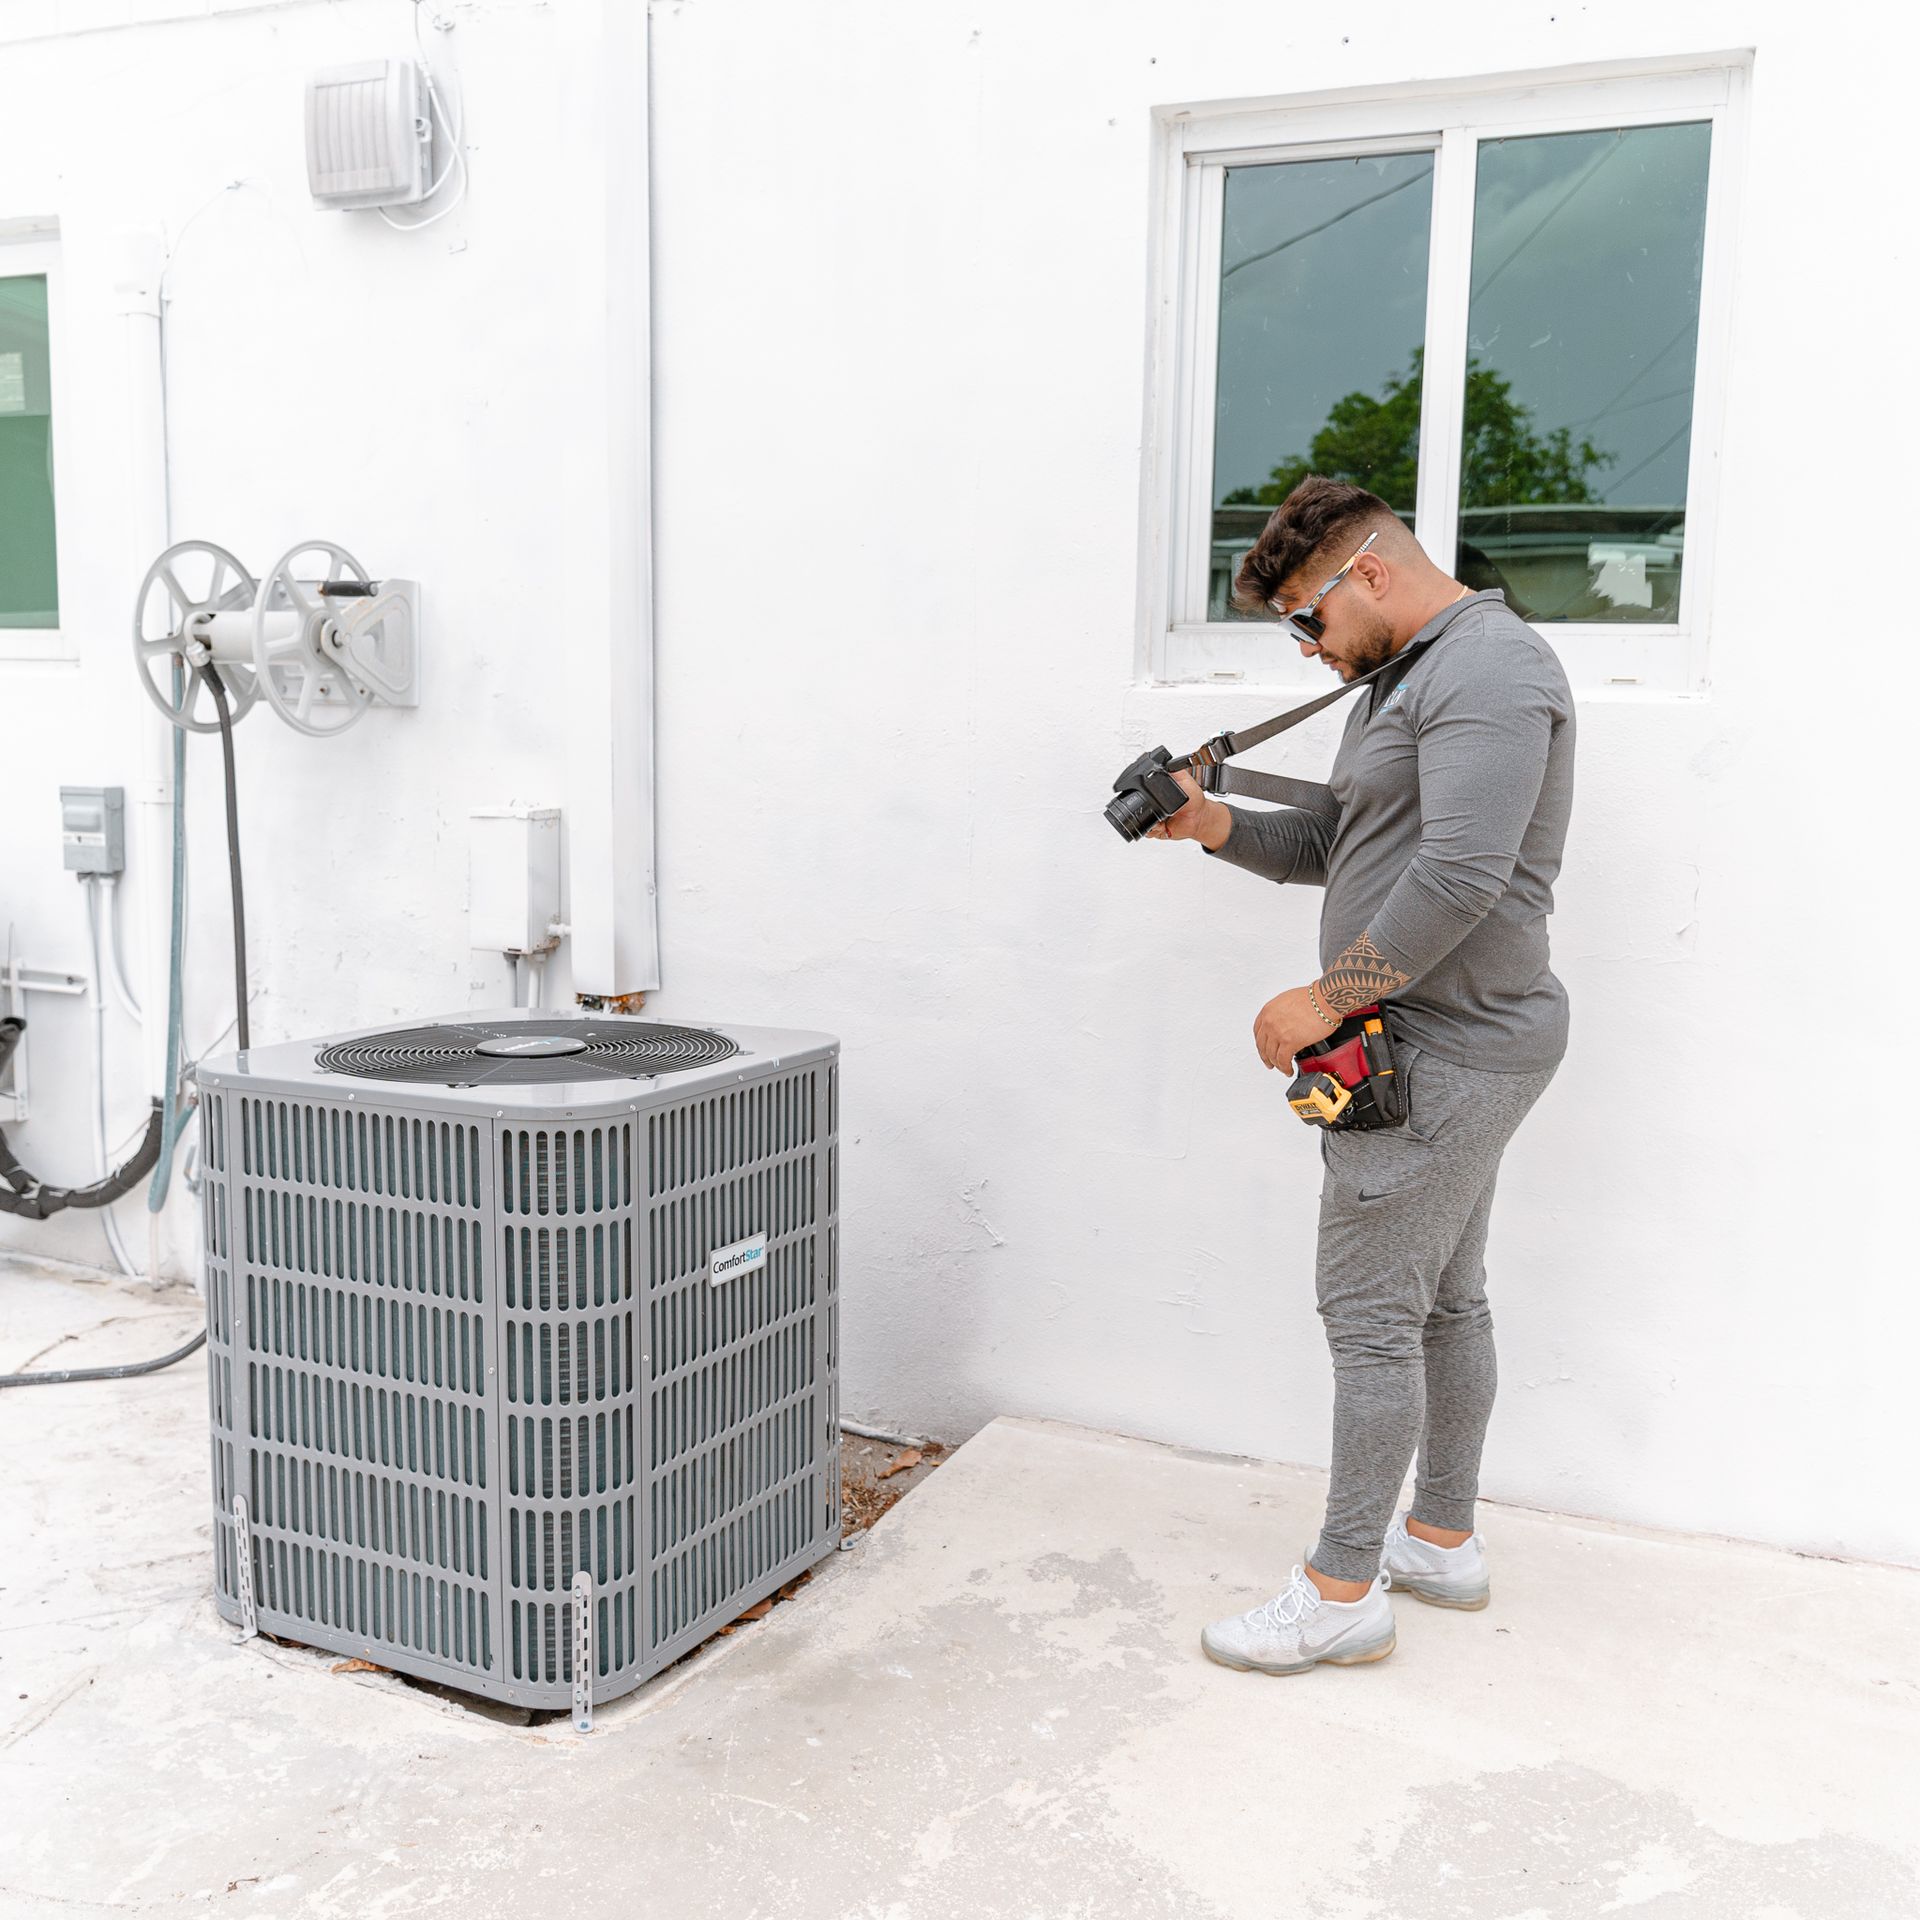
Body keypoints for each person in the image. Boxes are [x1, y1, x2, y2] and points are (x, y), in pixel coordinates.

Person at [1148, 476, 1575, 1676]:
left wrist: (1326, 999)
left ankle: (1341, 1592)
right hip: (1433, 1036)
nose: (1305, 645)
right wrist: (1217, 825)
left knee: (1370, 1314)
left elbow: (1462, 876)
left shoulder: (1488, 668)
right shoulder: (1399, 678)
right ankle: (1439, 1541)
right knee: (1444, 1301)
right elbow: (1348, 843)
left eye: (1306, 617)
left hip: (1444, 1045)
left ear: (1368, 573)